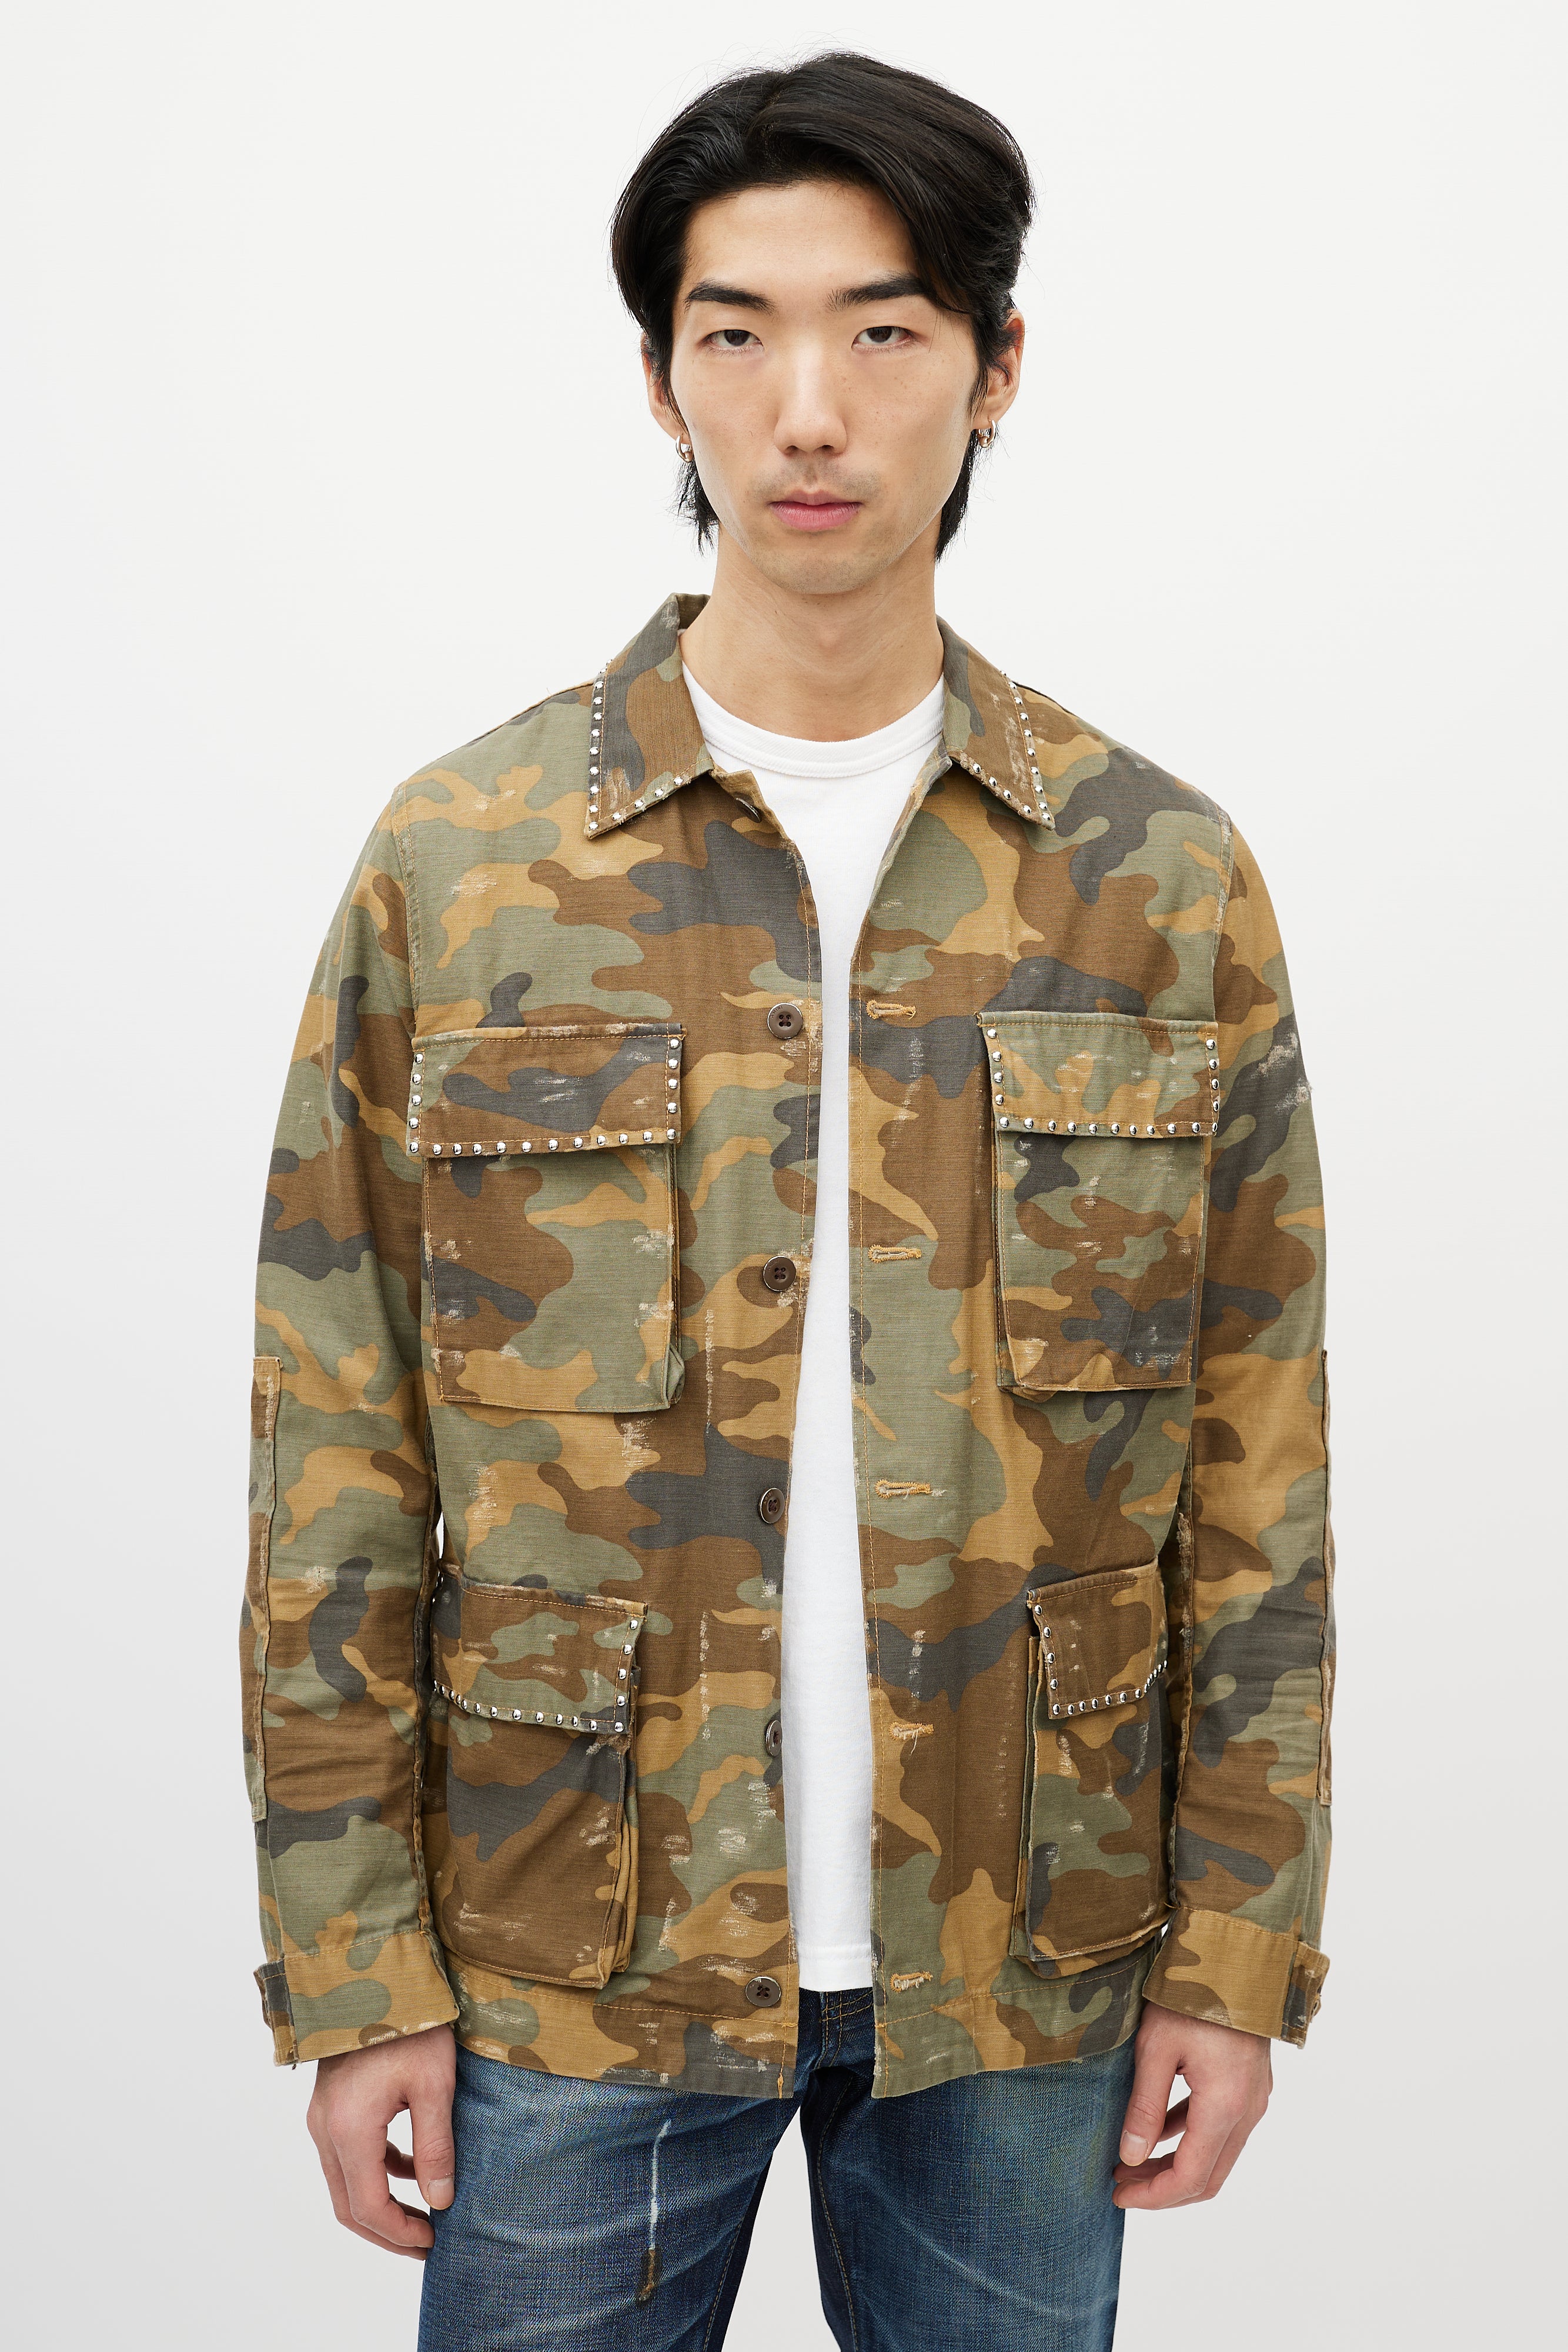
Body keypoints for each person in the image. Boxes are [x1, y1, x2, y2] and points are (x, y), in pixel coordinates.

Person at [241, 51, 1333, 2352]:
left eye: (883, 330)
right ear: (662, 376)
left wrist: (1236, 1947)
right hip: (569, 1948)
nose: (807, 410)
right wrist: (354, 1967)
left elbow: (1256, 1468)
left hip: (1025, 1954)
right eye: (734, 334)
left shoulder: (1154, 877)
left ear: (995, 366)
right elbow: (332, 1443)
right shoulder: (467, 861)